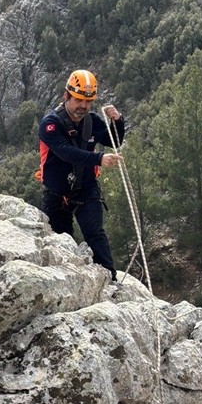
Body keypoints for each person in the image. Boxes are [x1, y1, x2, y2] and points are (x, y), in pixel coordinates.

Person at [37, 69, 125, 280]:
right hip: (57, 194)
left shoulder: (92, 121)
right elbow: (65, 152)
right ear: (66, 96)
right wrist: (98, 159)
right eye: (78, 100)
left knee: (95, 233)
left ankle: (110, 280)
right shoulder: (50, 124)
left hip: (86, 188)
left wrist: (118, 122)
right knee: (60, 242)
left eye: (88, 102)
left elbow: (113, 140)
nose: (83, 107)